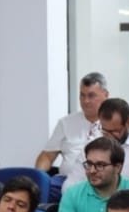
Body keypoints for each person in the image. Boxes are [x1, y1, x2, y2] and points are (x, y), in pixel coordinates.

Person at [36, 72, 108, 202]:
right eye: (82, 95)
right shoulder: (66, 123)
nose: (85, 101)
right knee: (41, 189)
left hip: (99, 180)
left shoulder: (115, 123)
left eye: (91, 96)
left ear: (105, 95)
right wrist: (38, 177)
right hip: (65, 180)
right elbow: (47, 156)